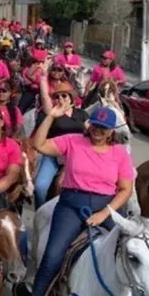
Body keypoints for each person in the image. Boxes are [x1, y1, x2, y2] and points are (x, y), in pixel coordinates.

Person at [15, 106, 135, 296]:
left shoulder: (120, 153)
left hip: (106, 206)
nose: (98, 131)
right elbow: (39, 144)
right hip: (71, 204)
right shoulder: (72, 141)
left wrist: (105, 213)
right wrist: (50, 115)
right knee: (52, 257)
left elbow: (125, 189)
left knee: (131, 252)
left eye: (103, 128)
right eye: (95, 126)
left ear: (111, 131)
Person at [33, 79, 88, 209]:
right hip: (53, 155)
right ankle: (41, 211)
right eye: (57, 97)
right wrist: (51, 116)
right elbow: (44, 96)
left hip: (77, 156)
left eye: (64, 95)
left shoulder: (82, 114)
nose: (60, 99)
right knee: (40, 186)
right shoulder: (51, 113)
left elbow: (90, 133)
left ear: (71, 98)